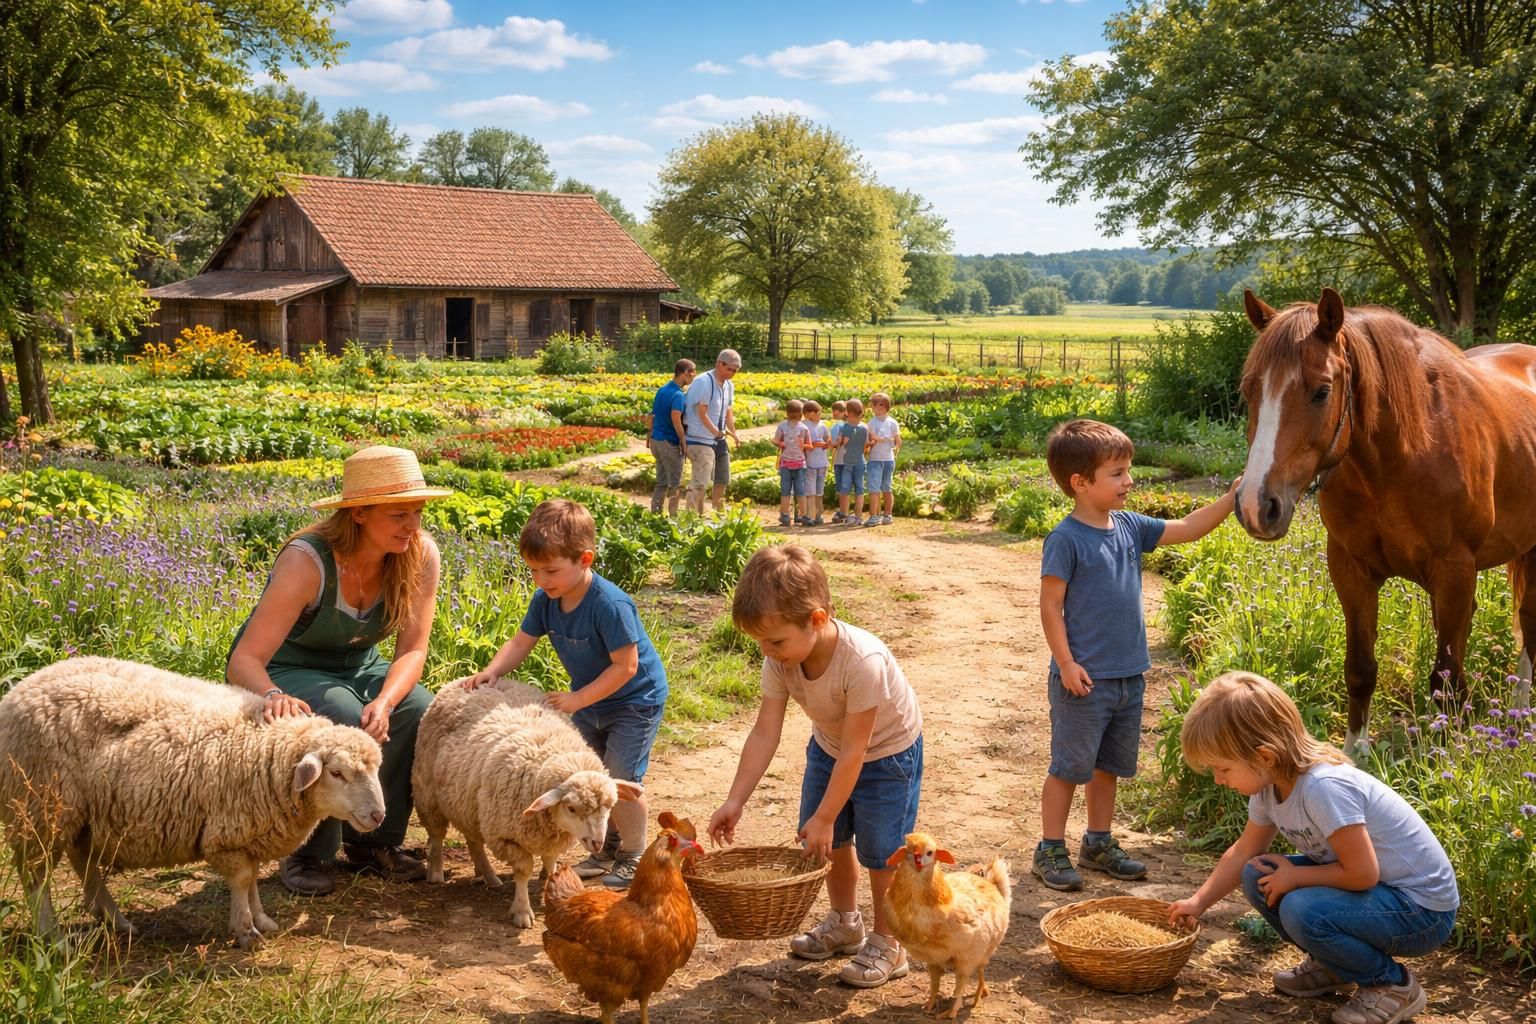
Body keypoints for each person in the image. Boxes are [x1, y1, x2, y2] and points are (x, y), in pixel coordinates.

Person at [226, 445, 452, 895]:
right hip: (284, 669)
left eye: (418, 513)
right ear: (359, 514)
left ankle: (374, 842)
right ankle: (307, 851)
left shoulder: (420, 555)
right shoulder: (307, 560)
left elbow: (411, 650)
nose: (413, 526)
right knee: (340, 715)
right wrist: (273, 696)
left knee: (418, 707)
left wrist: (387, 701)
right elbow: (244, 661)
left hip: (360, 667)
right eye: (398, 514)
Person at [1170, 673, 1458, 1024]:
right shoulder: (1267, 786)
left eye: (1223, 768)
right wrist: (1198, 902)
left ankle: (1392, 986)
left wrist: (1296, 878)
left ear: (1265, 756)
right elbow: (1245, 852)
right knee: (1257, 872)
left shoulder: (1323, 787)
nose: (1218, 779)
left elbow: (1363, 873)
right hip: (1378, 893)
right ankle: (1336, 965)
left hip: (1422, 910)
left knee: (1302, 908)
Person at [1034, 419, 1238, 891]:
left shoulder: (1129, 526)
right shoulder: (1065, 539)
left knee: (1109, 768)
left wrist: (1231, 498)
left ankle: (1098, 842)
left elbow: (1188, 528)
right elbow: (1050, 606)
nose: (1130, 481)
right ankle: (1049, 849)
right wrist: (1066, 663)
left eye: (1129, 470)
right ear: (1080, 483)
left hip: (1129, 676)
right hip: (1083, 680)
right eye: (1118, 473)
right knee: (1069, 768)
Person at [709, 545, 923, 989]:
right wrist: (736, 799)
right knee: (829, 842)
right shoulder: (780, 659)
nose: (767, 651)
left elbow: (857, 750)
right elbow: (765, 732)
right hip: (829, 749)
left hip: (886, 754)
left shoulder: (863, 662)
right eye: (761, 642)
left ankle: (890, 941)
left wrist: (826, 814)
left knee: (882, 852)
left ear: (817, 618)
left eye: (775, 640)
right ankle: (846, 922)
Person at [464, 498, 668, 889]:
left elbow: (625, 667)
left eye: (551, 570)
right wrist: (491, 671)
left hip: (634, 700)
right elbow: (521, 642)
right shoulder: (547, 600)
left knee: (619, 778)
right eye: (534, 570)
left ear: (585, 559)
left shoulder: (610, 604)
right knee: (585, 778)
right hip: (589, 699)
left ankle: (634, 854)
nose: (542, 579)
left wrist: (577, 700)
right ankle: (604, 850)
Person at [683, 348, 742, 514]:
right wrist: (715, 431)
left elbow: (728, 410)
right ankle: (690, 517)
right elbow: (702, 413)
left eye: (735, 371)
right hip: (700, 439)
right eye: (728, 369)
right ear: (719, 364)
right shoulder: (704, 382)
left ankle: (718, 514)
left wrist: (733, 432)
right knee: (700, 482)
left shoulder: (728, 385)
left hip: (719, 440)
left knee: (722, 479)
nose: (731, 373)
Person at [646, 359, 695, 516]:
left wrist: (649, 435)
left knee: (661, 482)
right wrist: (683, 441)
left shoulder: (662, 390)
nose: (694, 377)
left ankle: (656, 514)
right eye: (693, 373)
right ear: (685, 373)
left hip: (656, 440)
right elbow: (676, 419)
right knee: (675, 484)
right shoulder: (678, 395)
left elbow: (653, 416)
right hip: (669, 442)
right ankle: (673, 516)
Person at [863, 392, 901, 527]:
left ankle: (878, 516)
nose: (872, 408)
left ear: (881, 406)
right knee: (883, 488)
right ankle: (883, 515)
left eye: (873, 405)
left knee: (880, 488)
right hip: (880, 459)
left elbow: (897, 440)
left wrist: (894, 448)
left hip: (881, 460)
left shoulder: (876, 423)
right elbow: (870, 441)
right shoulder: (875, 422)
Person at [774, 399, 812, 527]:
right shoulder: (804, 427)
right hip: (800, 463)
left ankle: (785, 516)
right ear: (801, 414)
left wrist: (780, 443)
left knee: (785, 491)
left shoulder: (781, 426)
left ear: (787, 413)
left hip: (785, 463)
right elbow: (809, 445)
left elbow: (775, 441)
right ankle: (804, 515)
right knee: (800, 491)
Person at [834, 398, 869, 526]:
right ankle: (858, 516)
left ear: (847, 412)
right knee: (859, 490)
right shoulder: (865, 427)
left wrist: (837, 442)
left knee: (845, 488)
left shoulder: (844, 427)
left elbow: (842, 443)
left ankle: (845, 513)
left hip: (847, 461)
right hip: (860, 460)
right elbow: (866, 445)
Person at [803, 400, 832, 525]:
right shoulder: (805, 425)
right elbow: (811, 444)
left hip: (821, 461)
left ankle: (818, 514)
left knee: (819, 490)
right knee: (811, 490)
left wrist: (828, 443)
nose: (819, 415)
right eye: (817, 412)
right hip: (810, 461)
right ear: (809, 413)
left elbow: (828, 437)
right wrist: (821, 444)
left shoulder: (822, 425)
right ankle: (810, 515)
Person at [827, 401, 849, 523]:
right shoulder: (854, 425)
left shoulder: (837, 426)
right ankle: (846, 511)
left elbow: (833, 444)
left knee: (841, 487)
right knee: (848, 486)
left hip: (840, 459)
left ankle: (842, 511)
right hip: (852, 459)